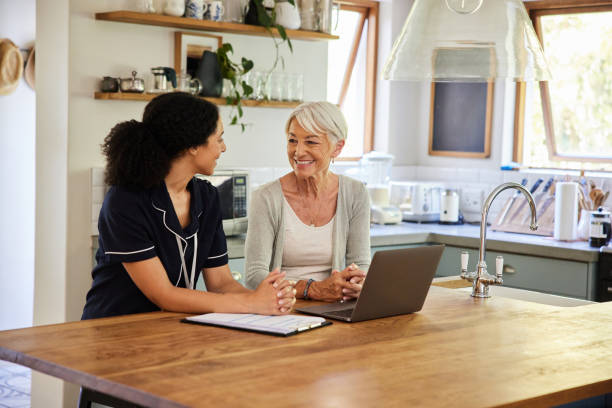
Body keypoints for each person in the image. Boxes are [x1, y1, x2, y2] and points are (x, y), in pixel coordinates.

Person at [82, 92, 295, 319]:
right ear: (193, 145)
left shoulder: (207, 196)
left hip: (171, 327)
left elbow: (221, 283)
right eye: (219, 138)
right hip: (113, 329)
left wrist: (268, 302)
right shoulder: (125, 201)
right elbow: (163, 295)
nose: (223, 148)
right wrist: (252, 303)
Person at [245, 101, 370, 302]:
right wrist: (311, 289)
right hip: (283, 307)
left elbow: (361, 263)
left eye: (311, 142)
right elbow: (254, 276)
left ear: (337, 148)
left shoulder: (356, 192)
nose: (298, 151)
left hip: (335, 307)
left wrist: (355, 283)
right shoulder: (266, 197)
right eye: (293, 140)